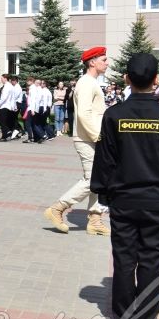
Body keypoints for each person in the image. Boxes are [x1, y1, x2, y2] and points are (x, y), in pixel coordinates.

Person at [90, 53, 159, 319]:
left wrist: (102, 194)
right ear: (157, 80)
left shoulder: (115, 115)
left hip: (123, 200)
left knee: (124, 259)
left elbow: (105, 160)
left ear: (126, 79)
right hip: (158, 201)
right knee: (151, 261)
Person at [43, 47, 111, 235]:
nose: (107, 63)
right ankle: (57, 208)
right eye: (104, 60)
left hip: (91, 137)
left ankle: (95, 219)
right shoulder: (87, 83)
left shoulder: (91, 82)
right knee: (92, 180)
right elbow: (84, 114)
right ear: (92, 62)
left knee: (101, 179)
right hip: (87, 138)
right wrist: (98, 136)